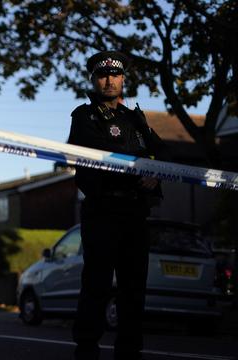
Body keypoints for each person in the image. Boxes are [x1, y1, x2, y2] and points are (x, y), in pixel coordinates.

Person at [68, 51, 167, 360]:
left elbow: (164, 152)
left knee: (133, 289)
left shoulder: (136, 118)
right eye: (102, 75)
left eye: (114, 75)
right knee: (96, 285)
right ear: (93, 79)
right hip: (103, 211)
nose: (109, 80)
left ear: (124, 79)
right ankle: (87, 351)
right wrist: (139, 169)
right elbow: (93, 154)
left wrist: (154, 173)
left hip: (136, 214)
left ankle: (129, 352)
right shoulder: (85, 116)